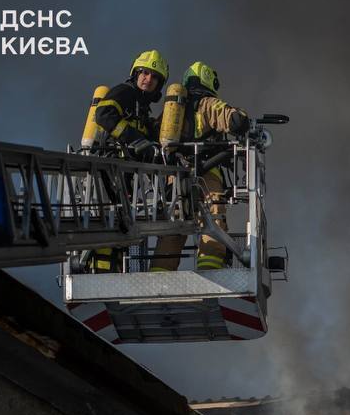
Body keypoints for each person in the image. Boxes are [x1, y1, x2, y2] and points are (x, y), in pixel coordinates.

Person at [150, 61, 252, 271]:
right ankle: (211, 268)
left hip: (175, 178)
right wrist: (242, 117)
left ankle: (159, 274)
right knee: (213, 220)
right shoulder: (207, 104)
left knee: (173, 227)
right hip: (207, 175)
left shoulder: (173, 110)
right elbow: (234, 121)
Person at [84, 50, 167, 272]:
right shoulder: (125, 93)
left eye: (154, 77)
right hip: (108, 169)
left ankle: (112, 270)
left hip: (125, 177)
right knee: (110, 222)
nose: (147, 79)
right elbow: (103, 114)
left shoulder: (143, 110)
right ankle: (101, 274)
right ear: (135, 73)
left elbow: (150, 150)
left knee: (121, 224)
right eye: (144, 73)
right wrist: (134, 138)